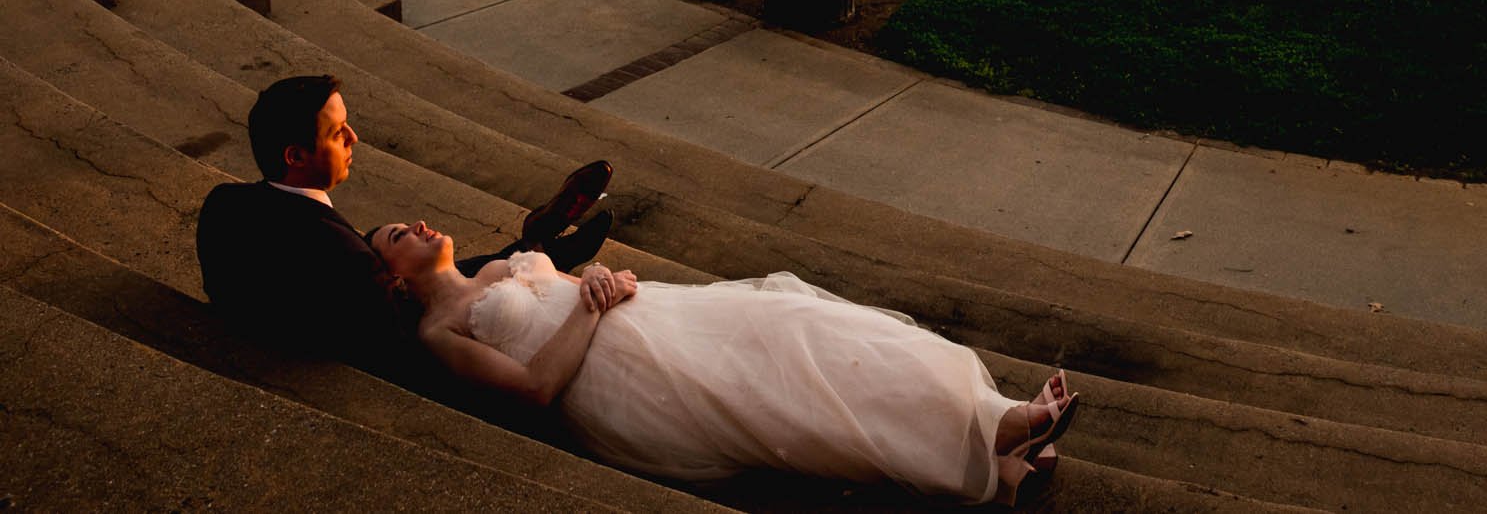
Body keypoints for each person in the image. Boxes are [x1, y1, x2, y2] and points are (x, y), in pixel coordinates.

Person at [369, 219, 1077, 505]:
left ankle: (994, 437)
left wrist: (603, 278)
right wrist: (592, 305)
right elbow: (532, 387)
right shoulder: (440, 329)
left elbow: (576, 286)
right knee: (783, 408)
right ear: (395, 278)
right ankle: (994, 443)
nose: (420, 224)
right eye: (400, 233)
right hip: (621, 385)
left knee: (807, 324)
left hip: (654, 315)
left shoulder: (497, 265)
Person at [196, 74, 614, 361]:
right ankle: (540, 246)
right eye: (337, 132)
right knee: (437, 271)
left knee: (427, 259)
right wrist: (520, 270)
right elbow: (426, 312)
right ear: (296, 156)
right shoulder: (345, 259)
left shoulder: (224, 206)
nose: (353, 137)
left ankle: (539, 243)